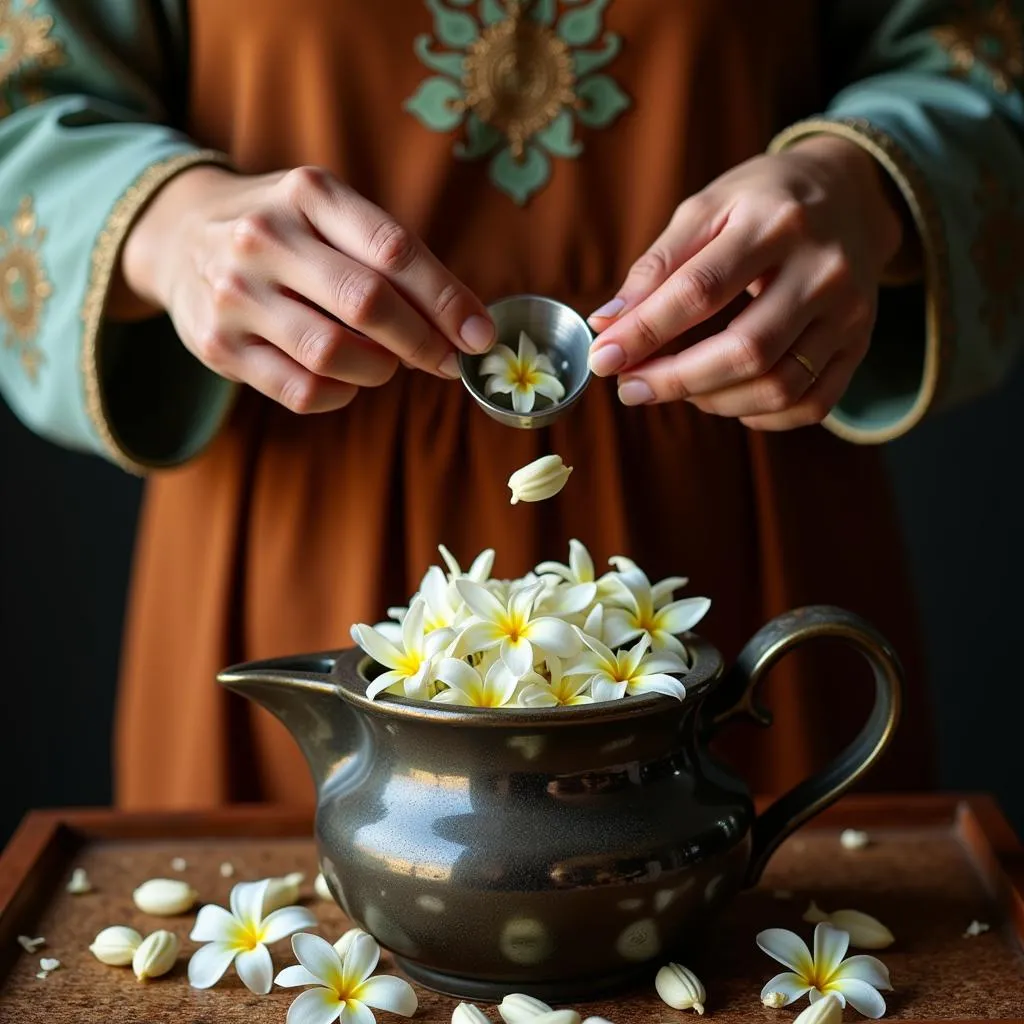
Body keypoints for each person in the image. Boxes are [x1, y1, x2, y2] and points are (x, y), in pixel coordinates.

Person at [1, 0, 1021, 808]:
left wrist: (864, 181)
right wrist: (165, 224)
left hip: (739, 518)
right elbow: (23, 102)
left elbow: (978, 57)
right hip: (298, 521)